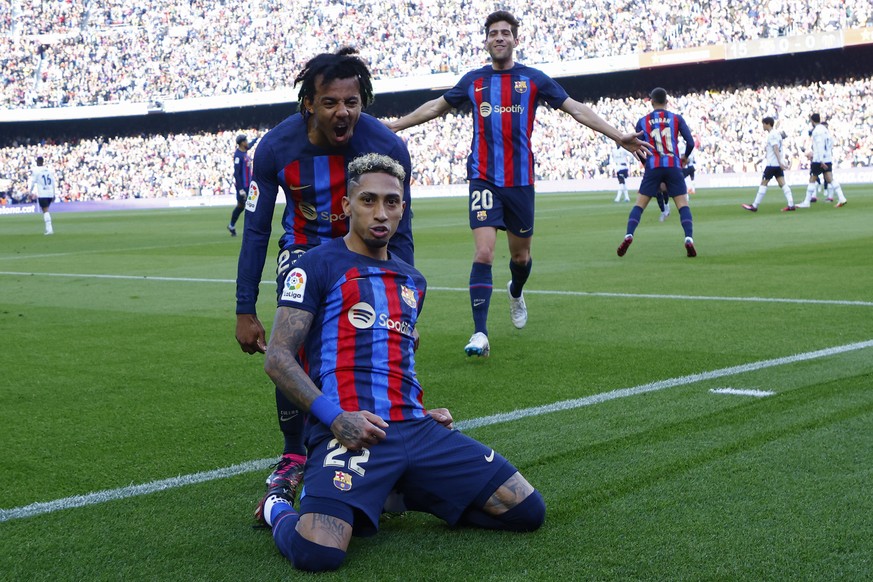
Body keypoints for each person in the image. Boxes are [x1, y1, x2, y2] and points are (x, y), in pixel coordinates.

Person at [260, 153, 545, 572]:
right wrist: (336, 419)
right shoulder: (315, 265)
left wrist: (420, 411)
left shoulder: (413, 280)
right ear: (346, 206)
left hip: (414, 427)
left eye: (391, 202)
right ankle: (277, 508)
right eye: (368, 200)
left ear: (403, 209)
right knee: (318, 553)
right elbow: (277, 357)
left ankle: (398, 491)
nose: (381, 213)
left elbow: (397, 357)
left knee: (526, 511)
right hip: (352, 429)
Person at [384, 10, 649, 358]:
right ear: (486, 40)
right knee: (483, 252)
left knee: (520, 257)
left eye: (505, 33)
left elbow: (576, 109)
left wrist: (618, 136)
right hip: (482, 177)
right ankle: (480, 332)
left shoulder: (534, 79)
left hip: (520, 182)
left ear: (515, 39)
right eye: (493, 32)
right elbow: (436, 107)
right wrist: (395, 127)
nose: (499, 37)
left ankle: (516, 290)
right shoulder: (473, 81)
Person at [235, 48, 416, 524]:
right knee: (293, 346)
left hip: (363, 254)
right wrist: (243, 307)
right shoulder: (276, 148)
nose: (343, 113)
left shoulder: (386, 147)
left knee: (371, 340)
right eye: (331, 102)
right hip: (304, 250)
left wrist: (407, 308)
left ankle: (380, 444)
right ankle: (295, 455)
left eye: (352, 102)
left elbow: (403, 228)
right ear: (308, 105)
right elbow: (256, 229)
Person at [616, 87, 697, 258]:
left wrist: (646, 163)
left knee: (639, 205)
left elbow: (637, 148)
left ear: (651, 101)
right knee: (683, 206)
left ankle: (629, 234)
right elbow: (690, 142)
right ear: (667, 101)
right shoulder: (676, 119)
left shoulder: (643, 121)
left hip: (653, 166)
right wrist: (684, 158)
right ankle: (688, 238)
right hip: (673, 165)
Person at [741, 116, 796, 213]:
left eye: (763, 124)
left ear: (768, 124)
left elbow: (775, 148)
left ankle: (754, 206)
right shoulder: (776, 134)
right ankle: (791, 204)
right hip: (777, 165)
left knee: (764, 183)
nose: (763, 126)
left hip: (772, 165)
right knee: (782, 184)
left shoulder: (772, 135)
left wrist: (780, 162)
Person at [797, 115, 847, 208]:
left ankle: (806, 202)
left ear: (812, 121)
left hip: (819, 159)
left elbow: (819, 145)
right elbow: (830, 142)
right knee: (830, 178)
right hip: (827, 158)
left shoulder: (816, 131)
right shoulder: (825, 130)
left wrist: (820, 159)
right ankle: (842, 198)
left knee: (812, 179)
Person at [228, 133, 259, 236]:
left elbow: (250, 145)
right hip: (243, 186)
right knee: (245, 206)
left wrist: (257, 138)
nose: (247, 142)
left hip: (249, 185)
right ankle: (236, 226)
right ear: (241, 143)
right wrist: (240, 189)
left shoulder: (244, 151)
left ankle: (232, 225)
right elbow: (236, 173)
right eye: (245, 141)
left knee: (245, 206)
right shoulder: (238, 155)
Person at [29, 156, 57, 235]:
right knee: (46, 210)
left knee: (45, 211)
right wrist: (54, 194)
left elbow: (32, 182)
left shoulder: (36, 170)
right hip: (50, 193)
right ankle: (49, 229)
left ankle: (49, 230)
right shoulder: (48, 170)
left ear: (37, 162)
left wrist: (29, 192)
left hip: (43, 193)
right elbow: (53, 183)